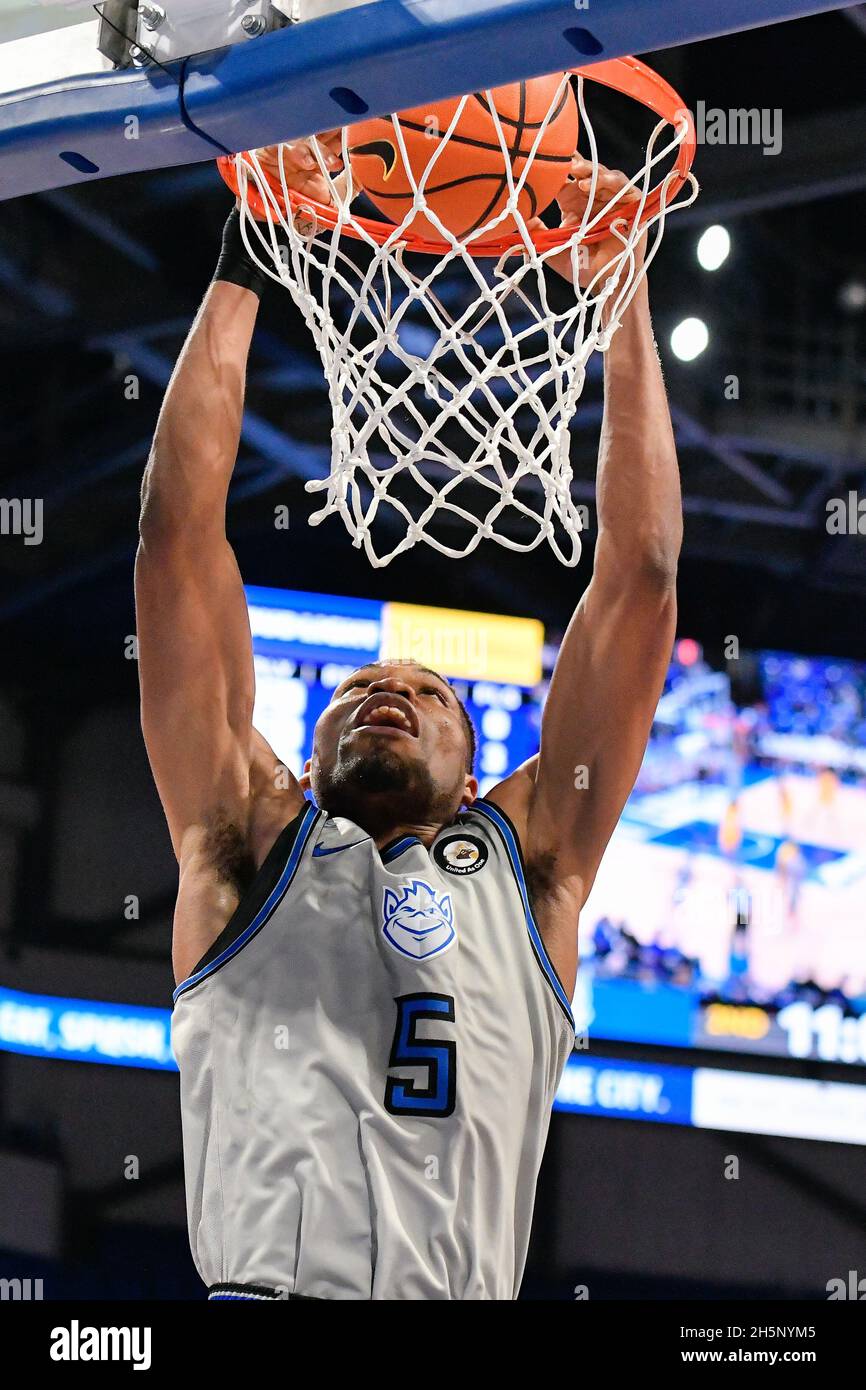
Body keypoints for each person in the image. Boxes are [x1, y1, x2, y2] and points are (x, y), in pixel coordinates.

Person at [135, 135, 682, 1300]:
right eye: (360, 692)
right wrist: (251, 249)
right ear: (312, 744)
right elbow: (177, 541)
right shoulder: (239, 837)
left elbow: (637, 578)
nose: (390, 690)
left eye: (427, 695)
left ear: (481, 762)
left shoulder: (532, 864)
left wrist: (623, 288)